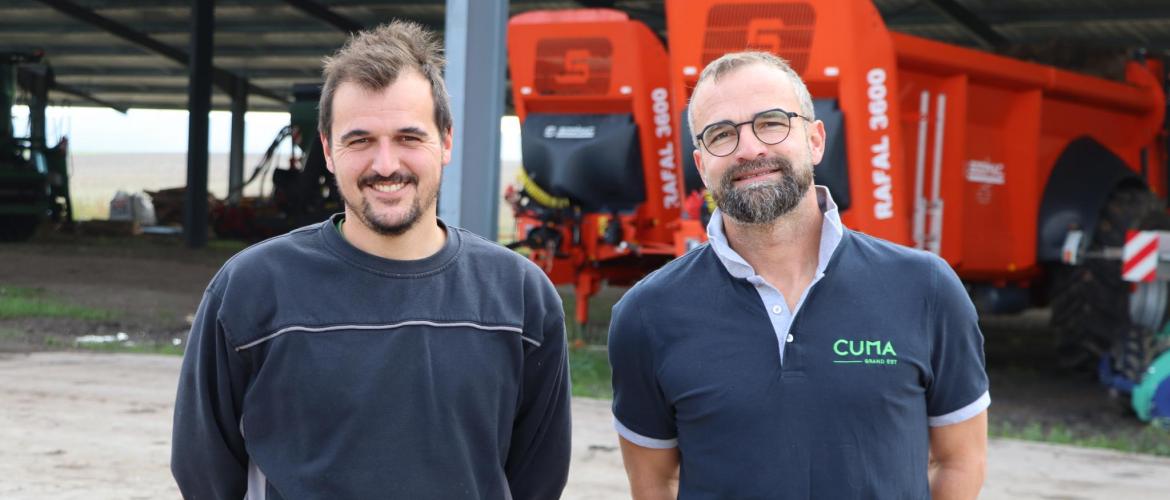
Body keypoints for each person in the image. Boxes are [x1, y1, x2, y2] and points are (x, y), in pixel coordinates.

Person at [171, 21, 571, 500]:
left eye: (408, 137)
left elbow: (536, 480)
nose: (385, 165)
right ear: (328, 149)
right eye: (360, 140)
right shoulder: (252, 288)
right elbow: (205, 473)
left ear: (445, 141)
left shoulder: (519, 297)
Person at [608, 51, 989, 499]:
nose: (750, 149)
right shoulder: (646, 315)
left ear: (815, 140)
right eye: (721, 134)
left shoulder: (925, 288)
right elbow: (656, 483)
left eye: (771, 122)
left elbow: (958, 460)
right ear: (701, 164)